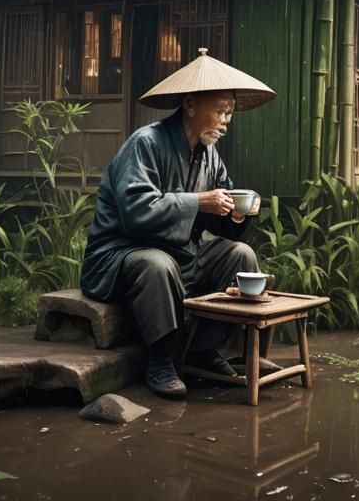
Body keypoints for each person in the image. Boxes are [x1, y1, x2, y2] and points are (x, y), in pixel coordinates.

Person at [80, 48, 275, 399]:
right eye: (219, 111)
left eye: (229, 113)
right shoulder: (145, 143)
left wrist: (239, 213)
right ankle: (162, 360)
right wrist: (199, 202)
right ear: (189, 105)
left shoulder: (209, 153)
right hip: (122, 252)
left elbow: (223, 215)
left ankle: (203, 348)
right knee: (157, 264)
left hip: (183, 250)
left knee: (239, 254)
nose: (226, 121)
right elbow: (136, 211)